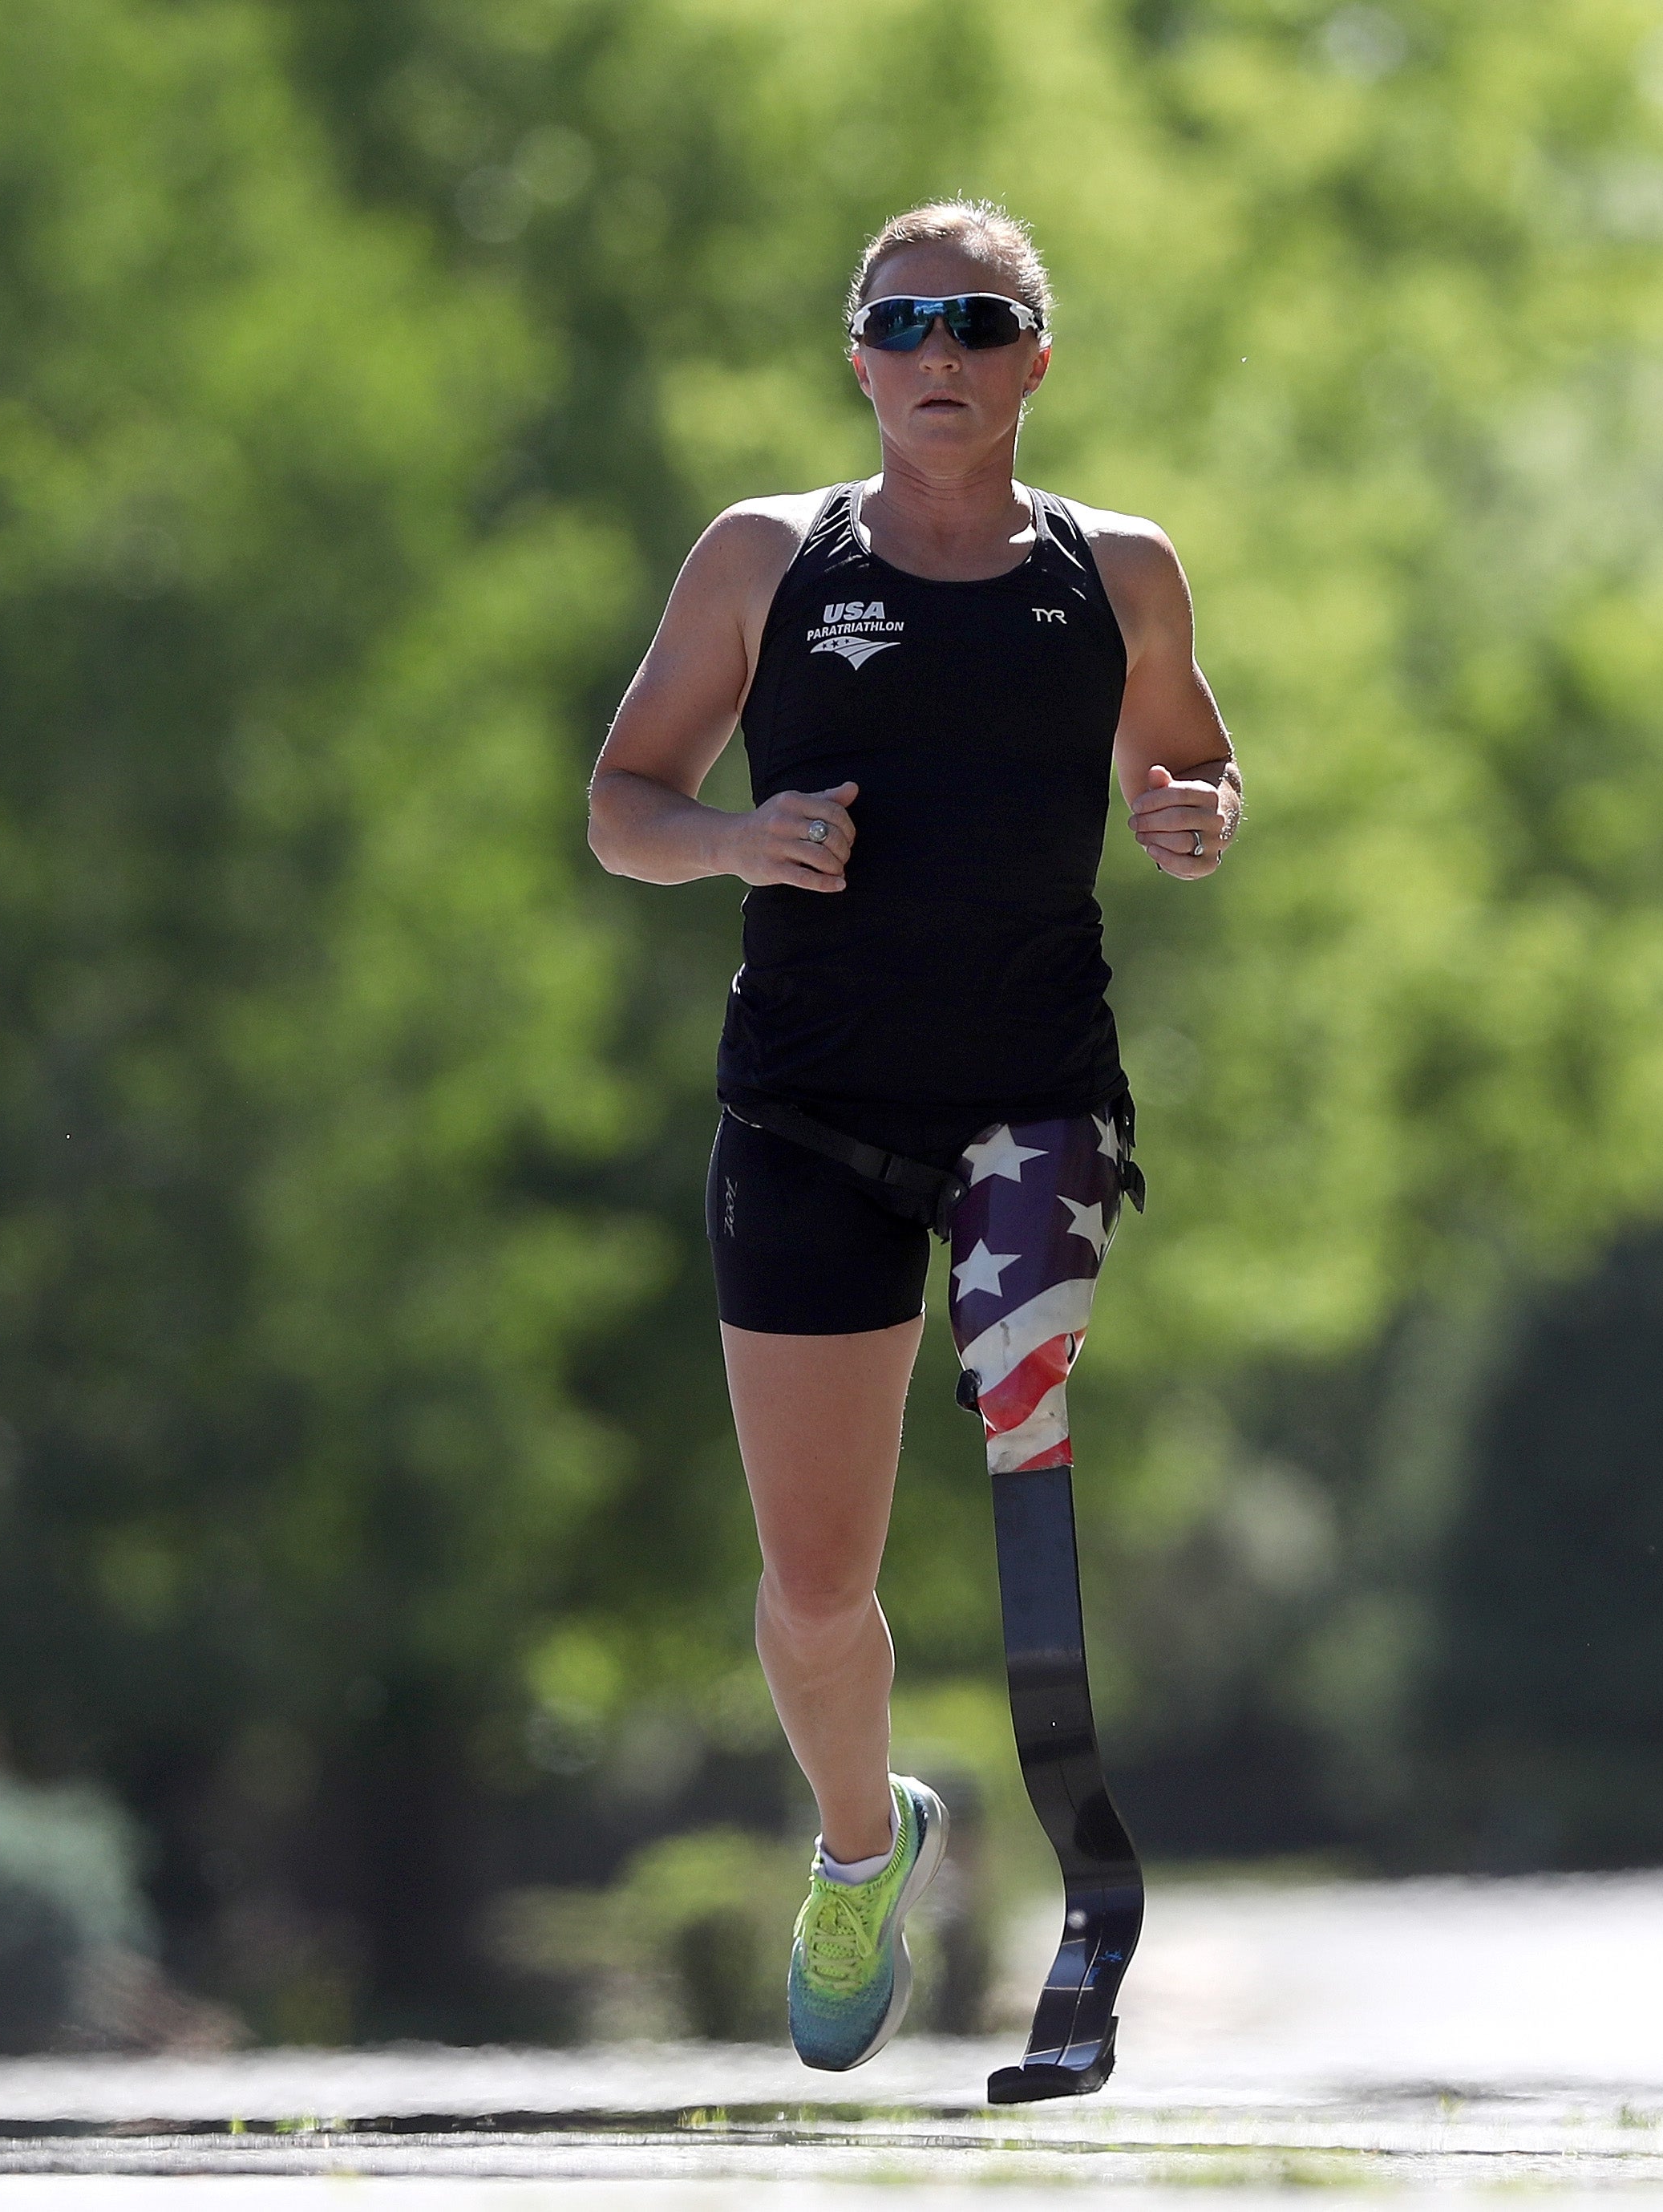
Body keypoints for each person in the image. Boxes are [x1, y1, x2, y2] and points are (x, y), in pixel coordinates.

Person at [585, 199, 1239, 2072]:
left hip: (1033, 1109)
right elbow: (623, 800)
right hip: (804, 1108)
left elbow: (1187, 758)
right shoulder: (760, 560)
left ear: (1038, 353)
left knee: (1023, 1456)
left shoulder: (1114, 572)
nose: (938, 354)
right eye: (902, 324)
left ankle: (1084, 1901)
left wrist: (1194, 813)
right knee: (813, 1582)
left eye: (979, 320)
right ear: (855, 356)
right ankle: (865, 1846)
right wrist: (733, 838)